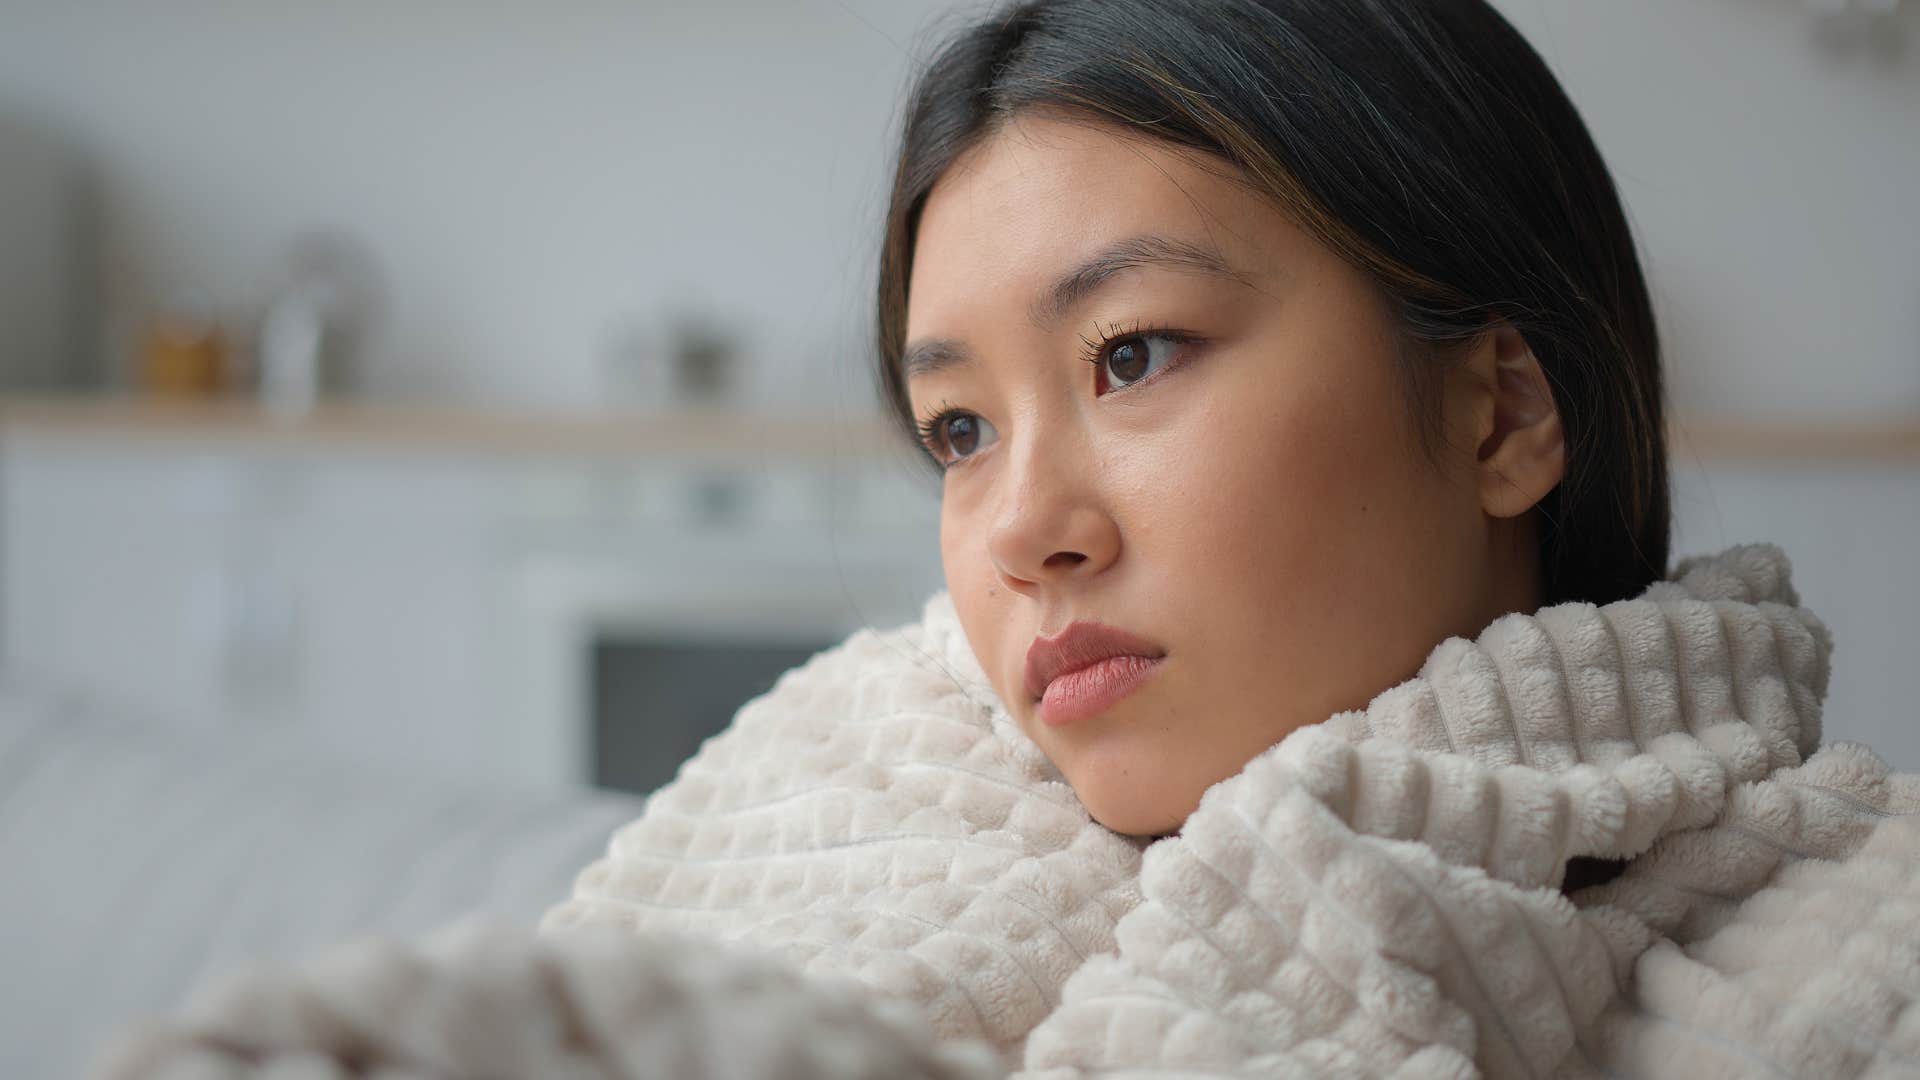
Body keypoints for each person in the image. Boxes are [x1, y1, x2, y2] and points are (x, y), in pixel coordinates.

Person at [98, 2, 1920, 1077]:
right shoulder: (843, 779)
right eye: (959, 428)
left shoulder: (1848, 950)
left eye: (1133, 355)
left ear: (1503, 409)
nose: (1022, 531)